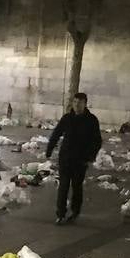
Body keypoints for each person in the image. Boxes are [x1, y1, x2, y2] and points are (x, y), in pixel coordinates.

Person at [44, 92, 103, 224]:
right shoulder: (67, 118)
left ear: (85, 104)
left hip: (80, 160)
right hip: (65, 158)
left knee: (77, 186)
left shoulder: (91, 120)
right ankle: (60, 214)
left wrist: (90, 156)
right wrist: (49, 150)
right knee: (63, 186)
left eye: (80, 103)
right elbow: (56, 134)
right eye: (75, 102)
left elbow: (97, 141)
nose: (77, 105)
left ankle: (75, 211)